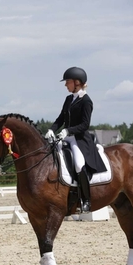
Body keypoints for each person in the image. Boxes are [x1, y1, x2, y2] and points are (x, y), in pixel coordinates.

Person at [44, 67, 106, 213]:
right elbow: (61, 118)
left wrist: (68, 130)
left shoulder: (86, 101)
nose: (66, 85)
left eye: (68, 82)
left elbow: (85, 125)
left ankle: (86, 200)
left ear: (77, 82)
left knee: (79, 164)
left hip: (79, 139)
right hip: (65, 137)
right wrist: (52, 129)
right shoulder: (68, 99)